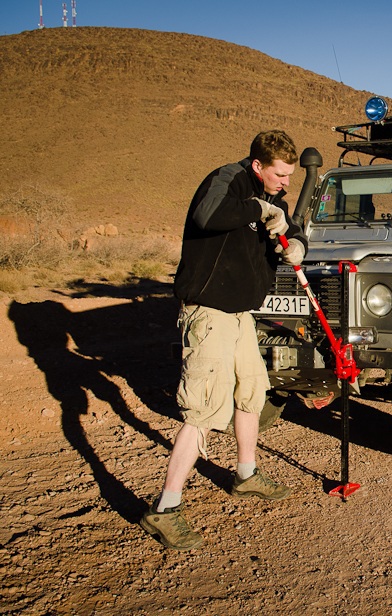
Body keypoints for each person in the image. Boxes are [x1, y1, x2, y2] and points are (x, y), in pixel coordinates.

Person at [140, 130, 309, 550]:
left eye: (289, 176)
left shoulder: (275, 198)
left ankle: (246, 475)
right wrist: (258, 207)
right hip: (209, 311)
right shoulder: (227, 180)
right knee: (203, 409)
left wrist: (298, 245)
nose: (286, 182)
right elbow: (207, 215)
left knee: (251, 391)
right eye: (281, 174)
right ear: (258, 166)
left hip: (240, 314)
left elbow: (293, 228)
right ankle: (165, 507)